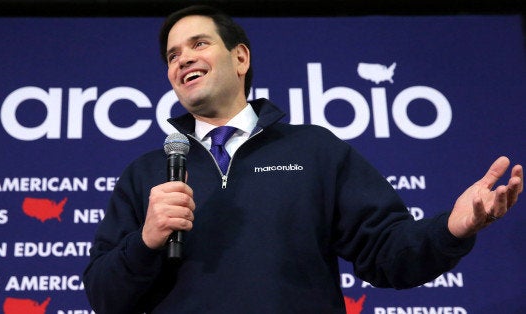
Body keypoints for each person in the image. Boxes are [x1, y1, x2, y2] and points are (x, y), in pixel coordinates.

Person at [83, 5, 523, 313]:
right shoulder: (147, 174)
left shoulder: (313, 150)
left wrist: (451, 228)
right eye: (172, 55)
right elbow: (105, 297)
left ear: (240, 58)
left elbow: (387, 253)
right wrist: (145, 242)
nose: (183, 60)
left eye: (198, 44)